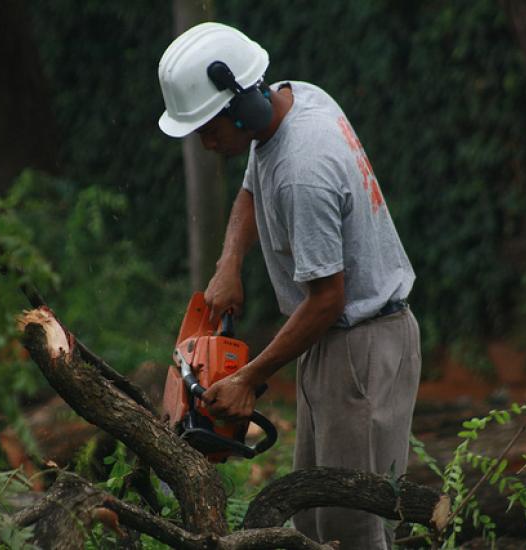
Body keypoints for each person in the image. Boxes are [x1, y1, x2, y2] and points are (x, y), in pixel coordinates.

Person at [157, 22, 421, 549]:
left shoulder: (304, 170)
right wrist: (229, 263)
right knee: (311, 514)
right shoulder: (295, 99)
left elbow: (328, 299)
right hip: (332, 342)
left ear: (243, 105)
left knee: (351, 522)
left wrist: (248, 378)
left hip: (360, 345)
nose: (207, 143)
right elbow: (251, 191)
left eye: (209, 128)